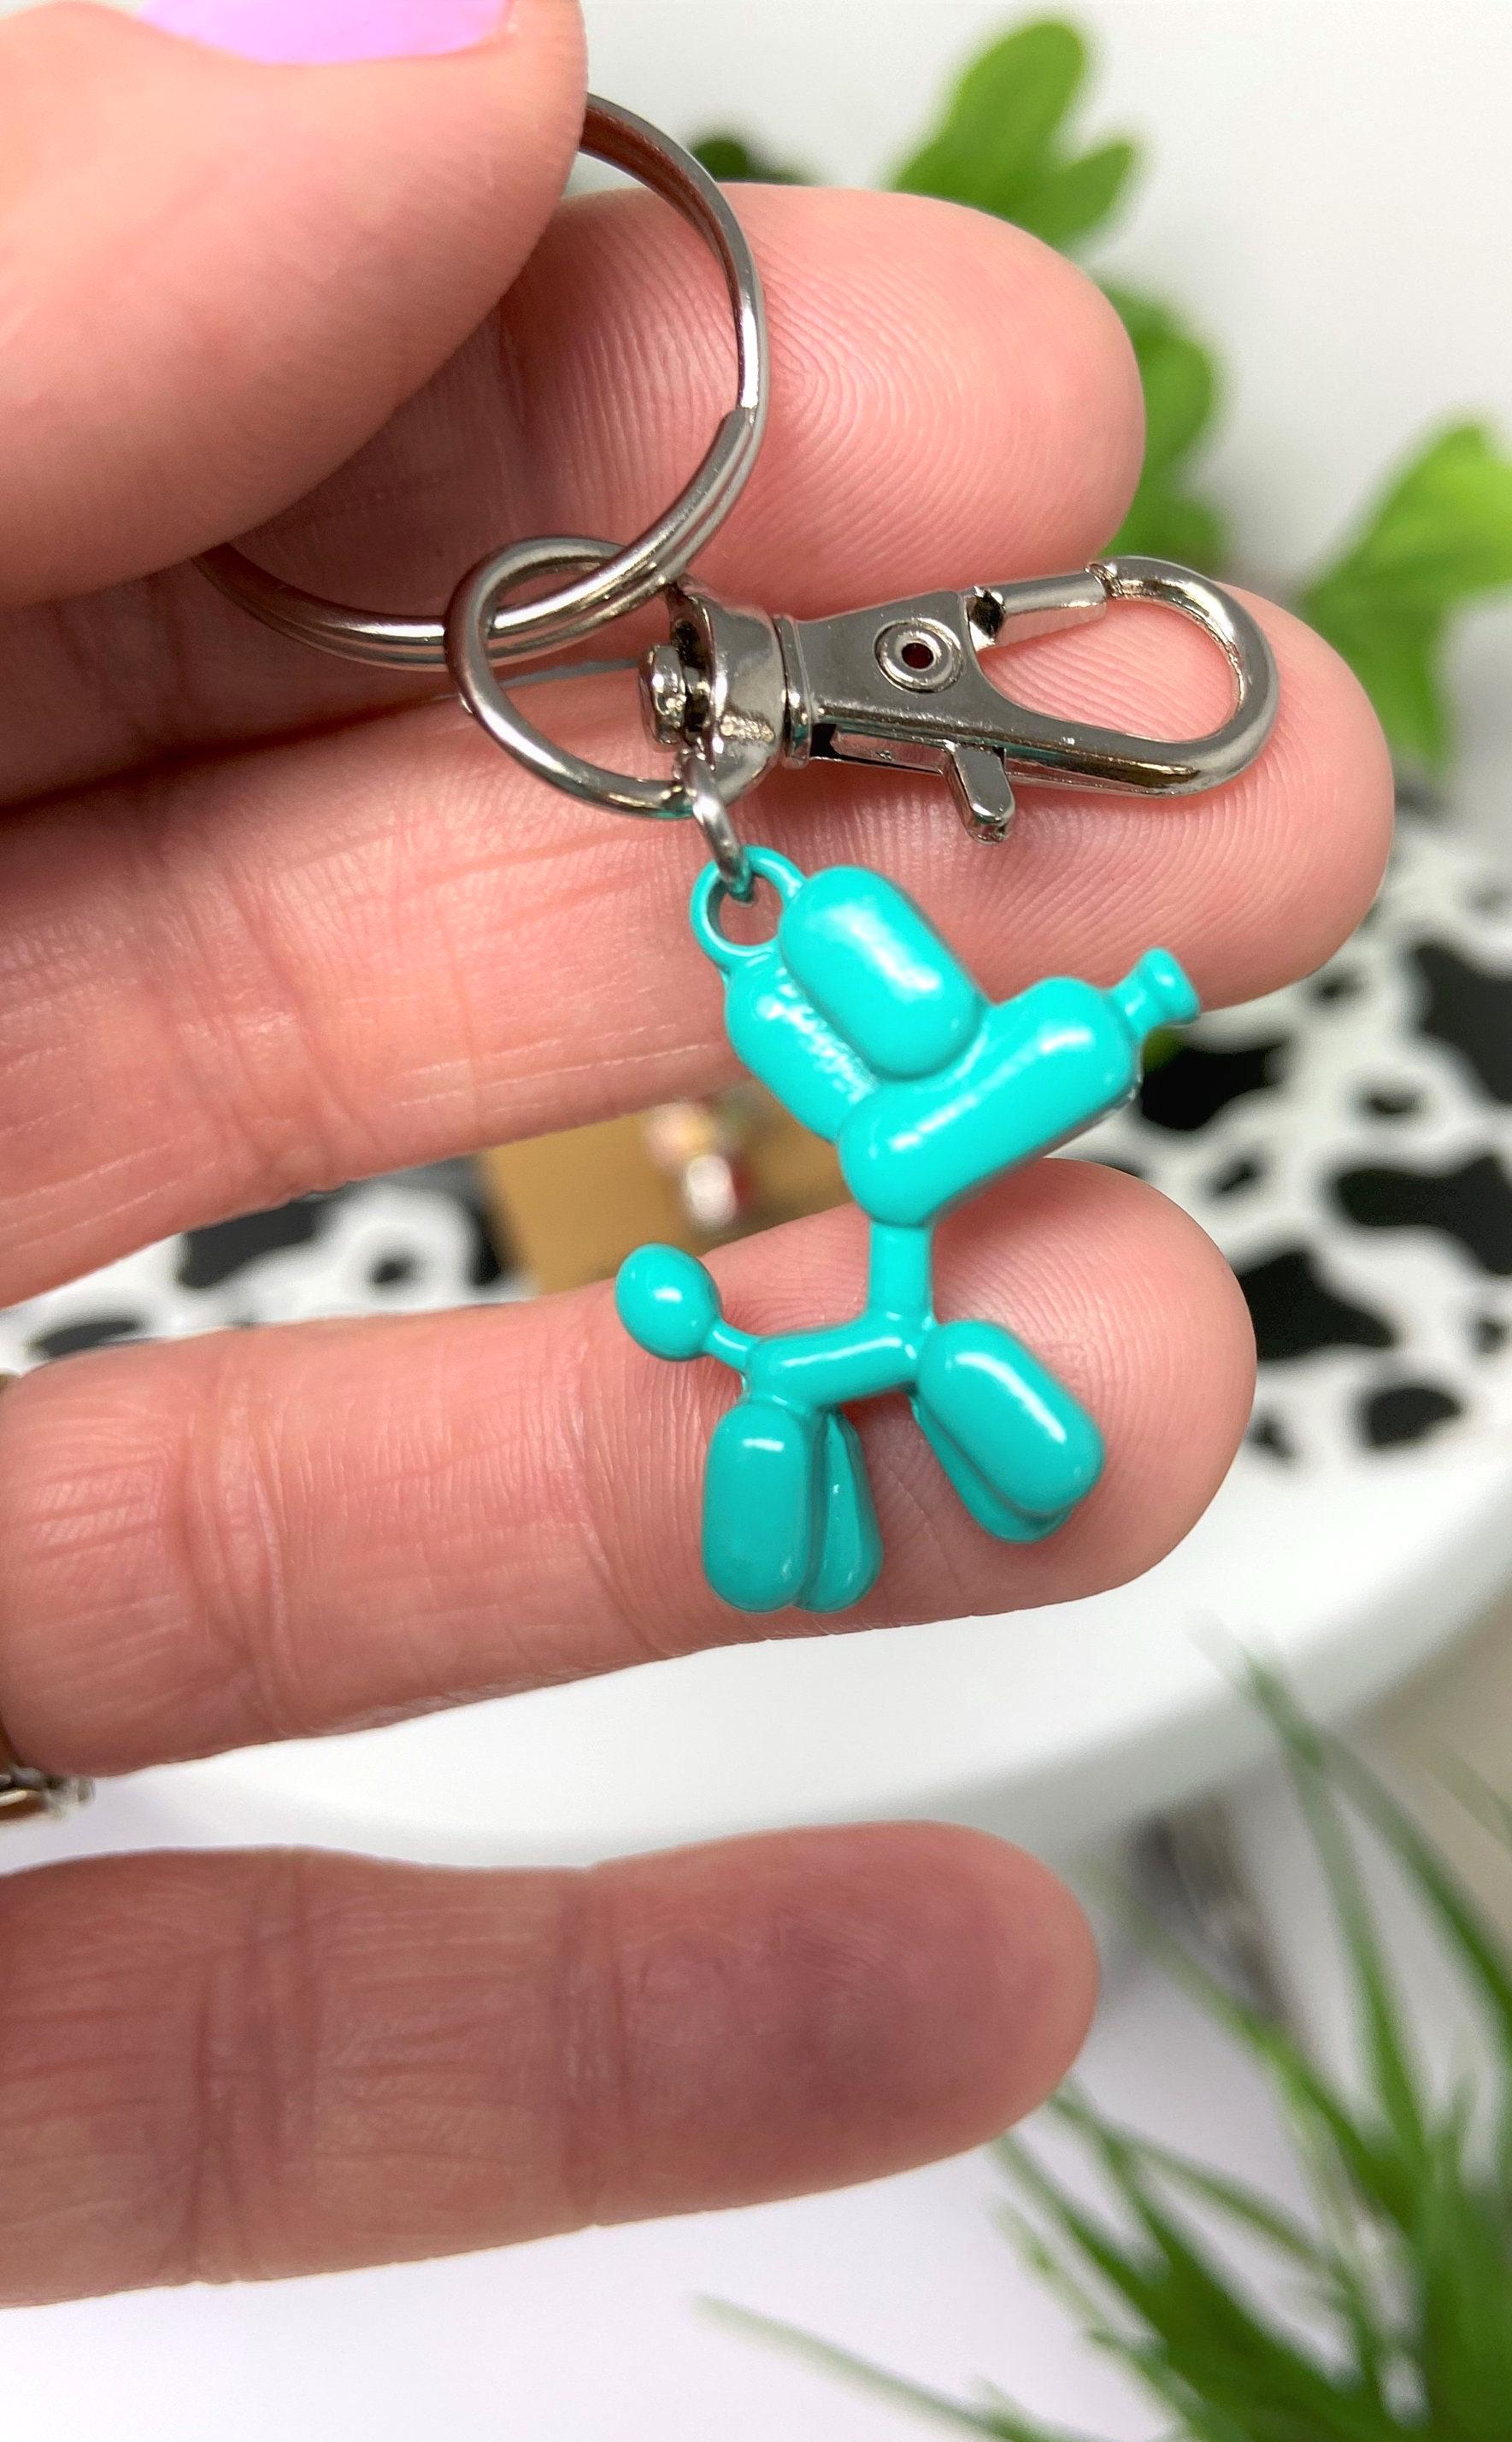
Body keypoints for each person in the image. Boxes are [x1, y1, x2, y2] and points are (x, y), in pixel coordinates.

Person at [0, 0, 1390, 2306]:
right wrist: (1073, 1031)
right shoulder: (835, 1026)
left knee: (960, 1363)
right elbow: (921, 1067)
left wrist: (1061, 1036)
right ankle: (820, 1418)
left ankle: (826, 1411)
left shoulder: (863, 1038)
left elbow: (937, 1070)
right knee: (910, 1376)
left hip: (861, 1299)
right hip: (848, 1309)